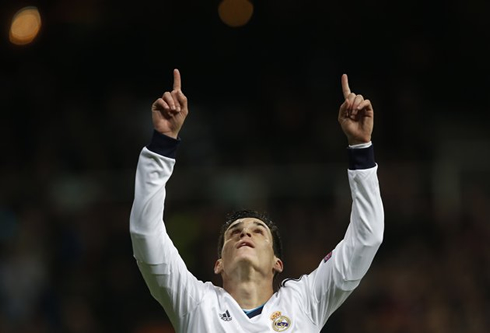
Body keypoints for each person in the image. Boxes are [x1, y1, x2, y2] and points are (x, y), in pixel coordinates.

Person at [129, 69, 384, 332]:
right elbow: (145, 233)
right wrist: (162, 144)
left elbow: (367, 238)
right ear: (219, 264)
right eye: (234, 232)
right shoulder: (196, 302)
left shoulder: (304, 302)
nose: (244, 234)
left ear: (277, 262)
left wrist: (361, 147)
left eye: (258, 230)